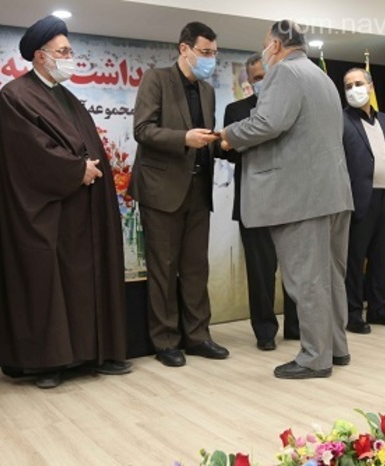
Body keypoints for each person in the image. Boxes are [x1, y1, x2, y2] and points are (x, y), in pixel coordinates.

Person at [0, 15, 131, 389]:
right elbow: (29, 153)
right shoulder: (16, 95)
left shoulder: (66, 98)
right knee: (47, 285)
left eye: (69, 51)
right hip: (45, 213)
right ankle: (46, 363)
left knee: (81, 286)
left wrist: (87, 170)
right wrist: (75, 170)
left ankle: (88, 355)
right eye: (63, 51)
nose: (70, 57)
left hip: (80, 213)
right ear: (40, 55)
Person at [221, 20, 353, 379]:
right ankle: (336, 348)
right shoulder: (322, 77)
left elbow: (268, 122)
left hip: (301, 198)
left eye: (266, 44)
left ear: (277, 46)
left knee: (307, 280)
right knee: (330, 278)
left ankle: (314, 358)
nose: (265, 51)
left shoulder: (284, 73)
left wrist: (229, 135)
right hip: (333, 193)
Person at [131, 22, 229, 367]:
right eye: (205, 52)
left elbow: (203, 138)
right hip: (161, 190)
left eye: (214, 53)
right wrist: (183, 138)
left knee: (195, 268)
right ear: (184, 49)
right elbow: (142, 130)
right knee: (164, 268)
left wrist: (222, 143)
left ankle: (198, 336)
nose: (210, 59)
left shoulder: (207, 91)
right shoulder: (156, 79)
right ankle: (166, 340)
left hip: (199, 189)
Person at [222, 53, 299, 351]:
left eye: (267, 77)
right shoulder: (235, 110)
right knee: (260, 271)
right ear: (248, 82)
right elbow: (229, 151)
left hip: (290, 200)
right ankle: (265, 332)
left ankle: (296, 327)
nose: (262, 82)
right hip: (253, 202)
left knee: (294, 268)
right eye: (256, 78)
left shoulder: (291, 107)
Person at [341, 68, 385, 335]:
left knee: (381, 257)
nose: (353, 89)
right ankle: (353, 313)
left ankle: (378, 308)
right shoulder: (341, 120)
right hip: (359, 199)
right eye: (348, 86)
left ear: (370, 87)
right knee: (355, 259)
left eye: (358, 83)